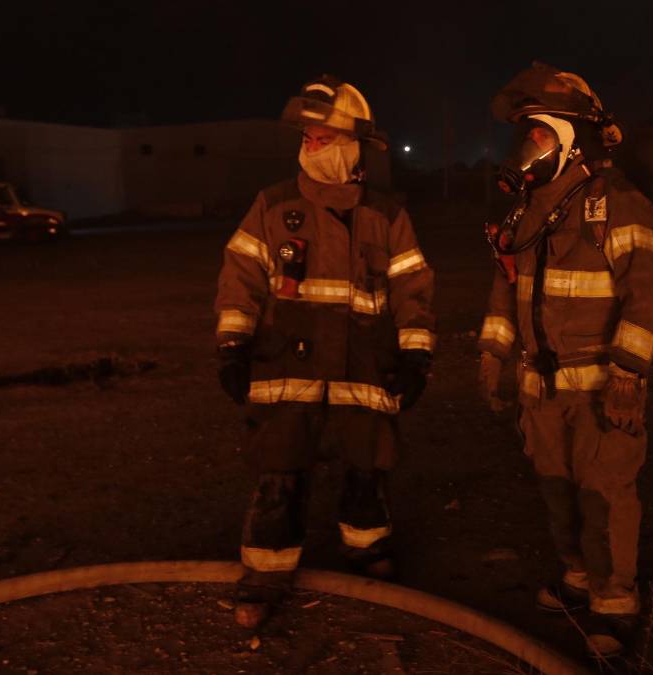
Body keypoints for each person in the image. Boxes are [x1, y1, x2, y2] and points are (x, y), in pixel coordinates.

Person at [214, 74, 435, 628]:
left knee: (367, 466)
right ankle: (265, 572)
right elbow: (241, 278)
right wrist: (233, 345)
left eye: (324, 139)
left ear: (353, 148)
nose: (312, 148)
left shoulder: (387, 215)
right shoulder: (273, 206)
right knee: (279, 468)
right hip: (286, 366)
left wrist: (416, 356)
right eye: (307, 139)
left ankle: (366, 552)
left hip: (365, 366)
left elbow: (413, 290)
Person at [477, 62, 653, 659]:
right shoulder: (526, 213)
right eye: (525, 135)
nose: (527, 146)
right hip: (540, 389)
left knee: (604, 492)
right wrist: (493, 353)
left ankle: (614, 603)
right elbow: (507, 287)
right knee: (556, 487)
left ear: (569, 139)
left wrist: (629, 372)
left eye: (538, 133)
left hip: (600, 391)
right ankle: (578, 577)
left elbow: (649, 290)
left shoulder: (619, 205)